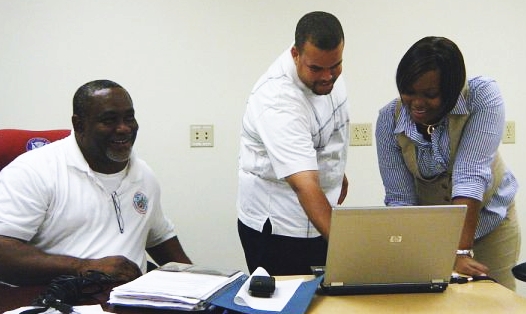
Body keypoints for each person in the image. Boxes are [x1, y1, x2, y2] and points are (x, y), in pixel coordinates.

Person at [0, 79, 191, 286]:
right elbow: (4, 250)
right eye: (109, 120)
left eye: (129, 118)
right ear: (79, 124)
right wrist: (83, 267)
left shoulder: (143, 173)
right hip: (58, 300)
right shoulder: (34, 171)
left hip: (129, 300)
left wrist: (200, 285)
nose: (124, 129)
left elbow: (160, 239)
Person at [375, 36, 520, 290]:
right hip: (428, 236)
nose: (417, 103)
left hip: (490, 223)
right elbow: (401, 200)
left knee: (495, 302)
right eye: (408, 92)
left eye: (430, 94)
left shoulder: (482, 97)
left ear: (451, 88)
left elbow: (470, 176)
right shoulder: (389, 120)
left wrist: (461, 252)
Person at [237, 11, 349, 276]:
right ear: (295, 54)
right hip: (279, 228)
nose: (327, 76)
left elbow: (325, 129)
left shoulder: (325, 69)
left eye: (335, 66)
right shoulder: (278, 100)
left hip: (318, 213)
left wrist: (336, 172)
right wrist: (349, 251)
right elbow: (305, 185)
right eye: (317, 69)